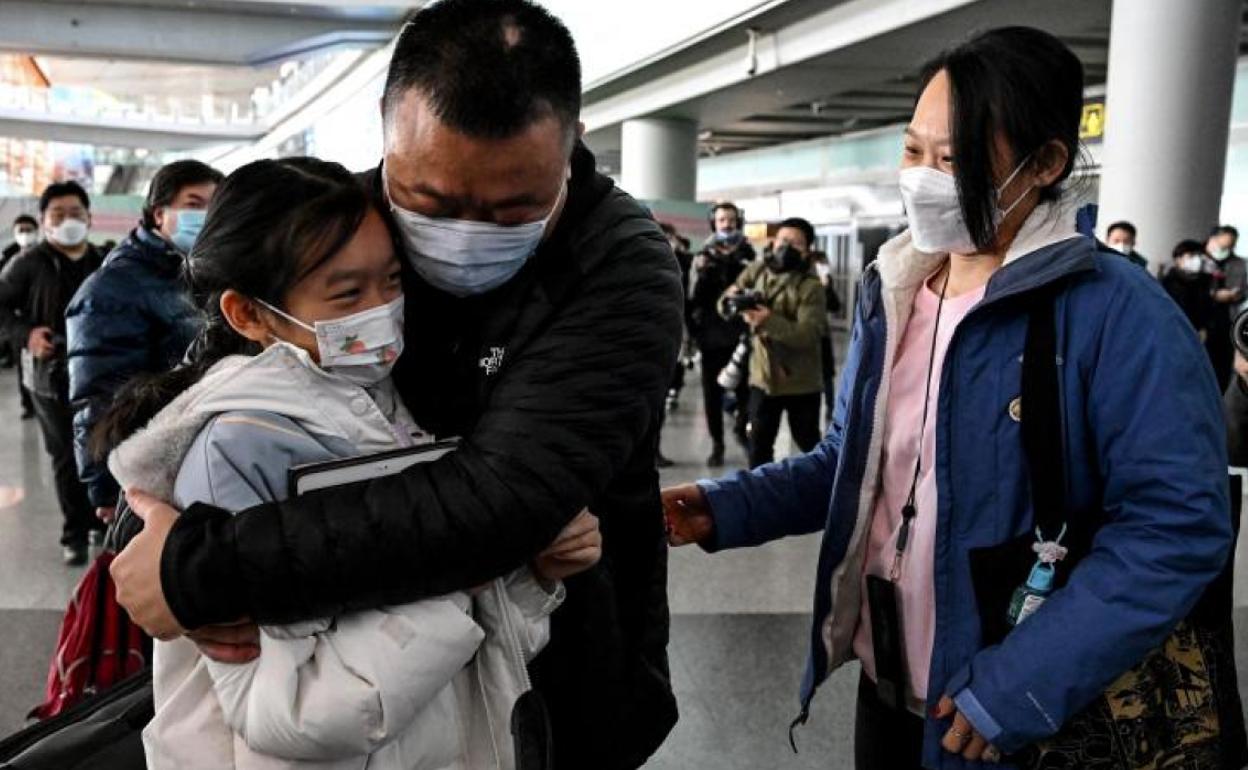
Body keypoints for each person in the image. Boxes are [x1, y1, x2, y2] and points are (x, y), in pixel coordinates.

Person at [108, 2, 683, 768]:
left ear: (570, 150)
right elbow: (211, 389)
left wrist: (204, 568)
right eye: (431, 204)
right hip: (355, 677)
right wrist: (145, 528)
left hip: (561, 664)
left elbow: (500, 502)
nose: (467, 233)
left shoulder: (622, 266)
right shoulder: (344, 223)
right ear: (387, 141)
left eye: (515, 208)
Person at [663, 27, 1233, 769]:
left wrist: (1020, 685)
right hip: (891, 686)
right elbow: (858, 460)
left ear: (1046, 164)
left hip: (1022, 712)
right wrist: (728, 506)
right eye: (912, 150)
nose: (922, 177)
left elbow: (1176, 526)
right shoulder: (895, 287)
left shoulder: (1116, 313)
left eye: (953, 158)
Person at [94, 157, 600, 770]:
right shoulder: (236, 450)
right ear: (249, 314)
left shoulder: (394, 400)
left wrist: (530, 568)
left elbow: (477, 656)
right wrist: (467, 567)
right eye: (347, 293)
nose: (382, 308)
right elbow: (286, 717)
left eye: (392, 281)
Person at [67, 159, 223, 527]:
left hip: (197, 450)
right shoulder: (112, 288)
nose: (206, 215)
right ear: (158, 215)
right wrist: (104, 487)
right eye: (193, 204)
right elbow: (101, 394)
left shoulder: (206, 271)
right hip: (148, 469)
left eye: (214, 207)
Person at [0, 181, 105, 565]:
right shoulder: (28, 263)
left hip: (99, 374)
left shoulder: (103, 262)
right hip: (49, 378)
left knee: (101, 448)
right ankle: (73, 532)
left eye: (76, 214)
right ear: (45, 222)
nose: (68, 222)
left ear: (90, 218)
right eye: (58, 215)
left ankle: (99, 519)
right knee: (64, 454)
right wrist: (25, 334)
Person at [720, 217, 827, 468]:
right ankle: (760, 498)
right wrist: (733, 301)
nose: (786, 247)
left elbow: (808, 334)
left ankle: (829, 491)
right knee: (758, 443)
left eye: (796, 244)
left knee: (808, 440)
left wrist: (768, 320)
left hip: (800, 382)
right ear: (773, 241)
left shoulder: (811, 287)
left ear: (807, 250)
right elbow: (723, 303)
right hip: (762, 379)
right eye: (783, 240)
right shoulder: (756, 271)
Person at [689, 201, 754, 466]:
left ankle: (742, 428)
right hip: (711, 337)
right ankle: (717, 444)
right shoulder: (702, 256)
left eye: (731, 220)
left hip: (742, 335)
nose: (727, 224)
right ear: (714, 224)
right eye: (721, 220)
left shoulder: (749, 254)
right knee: (712, 394)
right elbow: (692, 298)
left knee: (745, 392)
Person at [3, 215, 38, 416]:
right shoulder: (8, 257)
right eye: (21, 230)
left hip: (41, 317)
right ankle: (27, 404)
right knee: (23, 367)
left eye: (28, 229)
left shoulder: (45, 254)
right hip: (20, 321)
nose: (25, 234)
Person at [1208, 224, 1244, 390]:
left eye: (1230, 246)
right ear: (1213, 240)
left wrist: (1234, 294)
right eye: (1223, 245)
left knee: (1222, 363)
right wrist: (1214, 294)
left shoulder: (1239, 264)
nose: (1226, 249)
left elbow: (1242, 290)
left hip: (1227, 318)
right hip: (1205, 318)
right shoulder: (1201, 260)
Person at [1160, 239, 1217, 345]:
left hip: (1202, 333)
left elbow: (1207, 307)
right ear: (1178, 259)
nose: (1197, 259)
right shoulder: (1167, 283)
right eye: (1191, 256)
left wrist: (1204, 327)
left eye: (1199, 255)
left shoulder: (1204, 280)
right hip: (1177, 334)